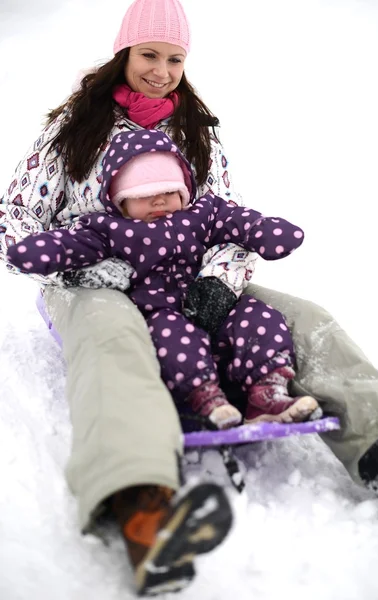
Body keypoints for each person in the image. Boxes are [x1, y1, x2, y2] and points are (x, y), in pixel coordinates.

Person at [1, 0, 378, 593]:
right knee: (114, 339)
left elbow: (226, 220)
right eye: (149, 55)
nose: (161, 70)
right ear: (123, 54)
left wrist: (218, 281)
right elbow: (15, 218)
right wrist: (90, 263)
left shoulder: (196, 130)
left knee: (305, 318)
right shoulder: (73, 129)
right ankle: (137, 497)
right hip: (93, 276)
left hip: (188, 268)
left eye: (174, 58)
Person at [7, 128, 323, 429]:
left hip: (206, 301)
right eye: (145, 195)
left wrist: (266, 232)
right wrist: (37, 251)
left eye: (170, 192)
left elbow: (237, 221)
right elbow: (72, 245)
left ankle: (266, 391)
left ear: (184, 192)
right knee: (173, 334)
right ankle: (204, 397)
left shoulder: (202, 214)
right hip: (156, 313)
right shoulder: (110, 229)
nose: (159, 201)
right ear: (120, 200)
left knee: (258, 315)